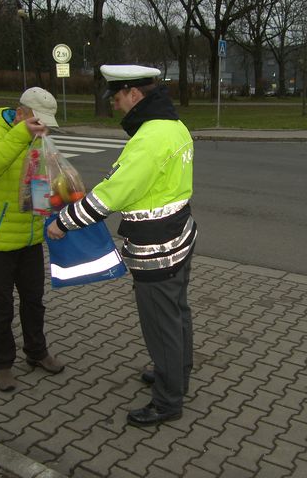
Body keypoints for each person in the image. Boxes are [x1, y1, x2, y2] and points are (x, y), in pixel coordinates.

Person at [47, 64, 197, 427]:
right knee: (177, 314)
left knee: (161, 325)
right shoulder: (173, 126)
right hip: (178, 236)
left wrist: (63, 222)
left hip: (156, 249)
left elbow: (110, 196)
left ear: (134, 94)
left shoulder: (149, 139)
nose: (115, 106)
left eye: (116, 98)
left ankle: (167, 401)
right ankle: (175, 373)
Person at [0, 87, 65, 392]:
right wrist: (21, 134)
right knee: (1, 307)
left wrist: (49, 207)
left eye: (47, 124)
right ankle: (1, 364)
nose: (44, 128)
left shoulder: (37, 139)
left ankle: (36, 352)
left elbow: (36, 182)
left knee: (34, 301)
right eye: (39, 121)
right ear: (21, 113)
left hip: (28, 236)